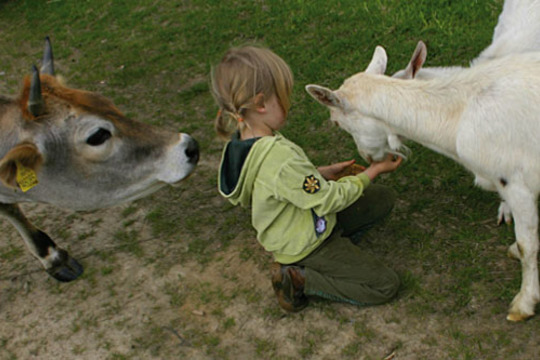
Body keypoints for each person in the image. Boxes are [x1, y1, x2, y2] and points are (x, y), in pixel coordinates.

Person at [211, 45, 403, 312]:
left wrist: (320, 173)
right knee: (385, 285)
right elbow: (326, 200)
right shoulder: (279, 157)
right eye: (284, 95)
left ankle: (335, 255)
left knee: (380, 199)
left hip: (299, 223)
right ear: (261, 103)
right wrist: (373, 171)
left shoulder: (245, 139)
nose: (289, 102)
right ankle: (299, 279)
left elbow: (280, 183)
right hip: (305, 244)